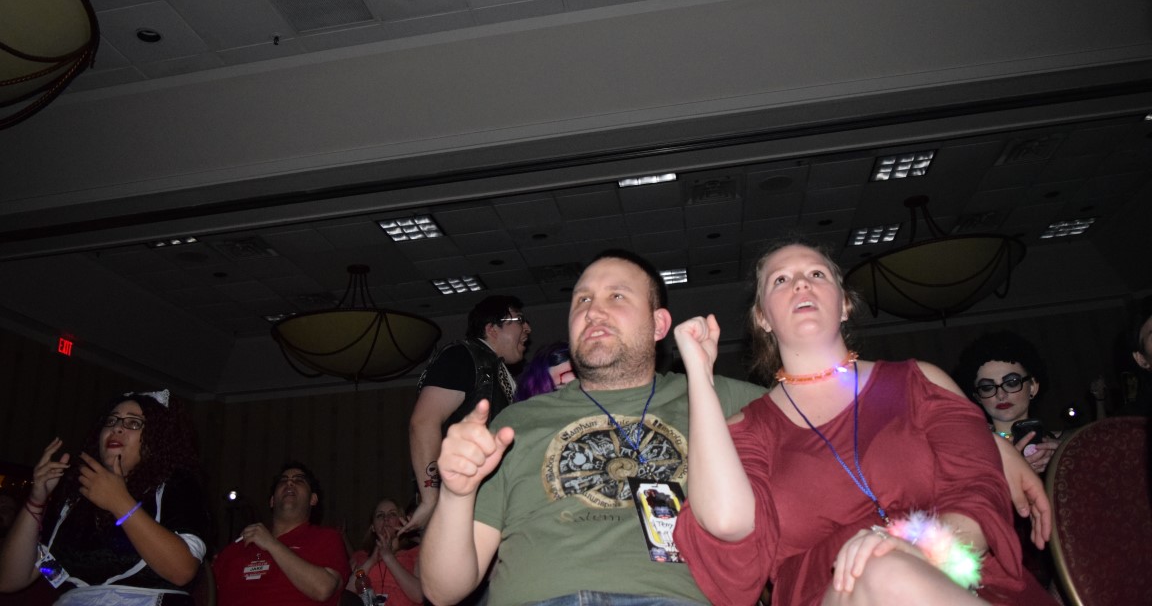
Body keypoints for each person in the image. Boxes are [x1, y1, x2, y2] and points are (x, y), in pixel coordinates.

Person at [420, 249, 1050, 606]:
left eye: (617, 296)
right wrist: (455, 490)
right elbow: (444, 591)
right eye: (582, 298)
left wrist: (996, 446)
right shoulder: (515, 422)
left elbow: (833, 408)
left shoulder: (727, 404)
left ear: (660, 325)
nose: (594, 310)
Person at [672, 242, 1053, 606]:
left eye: (817, 274)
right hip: (826, 592)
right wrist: (700, 376)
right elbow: (726, 522)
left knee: (886, 568)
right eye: (781, 280)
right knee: (881, 569)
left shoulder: (920, 382)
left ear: (845, 305)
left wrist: (918, 549)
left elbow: (978, 491)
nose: (801, 284)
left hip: (959, 578)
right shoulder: (750, 429)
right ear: (762, 318)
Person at [0, 390, 209, 605]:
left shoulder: (175, 485)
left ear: (157, 438)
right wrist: (37, 500)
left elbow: (181, 571)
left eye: (133, 423)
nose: (117, 428)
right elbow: (10, 580)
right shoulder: (76, 498)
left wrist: (119, 503)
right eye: (111, 420)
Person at [405, 295, 531, 532]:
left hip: (495, 509)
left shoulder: (502, 374)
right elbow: (423, 422)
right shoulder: (462, 357)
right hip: (464, 506)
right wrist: (430, 497)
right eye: (519, 320)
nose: (527, 328)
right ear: (492, 329)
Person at [213, 462, 349, 606]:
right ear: (272, 501)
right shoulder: (237, 548)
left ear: (313, 499)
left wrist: (270, 543)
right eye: (283, 481)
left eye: (299, 480)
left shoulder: (326, 538)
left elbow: (323, 589)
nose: (289, 483)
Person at [954, 331, 1060, 474]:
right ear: (978, 397)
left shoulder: (1067, 445)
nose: (1001, 395)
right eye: (987, 387)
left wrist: (1064, 459)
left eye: (1012, 383)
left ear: (1033, 386)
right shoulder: (967, 454)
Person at [345, 498, 421, 606]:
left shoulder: (415, 553)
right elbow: (347, 592)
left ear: (401, 523)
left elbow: (419, 596)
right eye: (380, 515)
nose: (386, 519)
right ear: (373, 527)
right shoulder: (360, 556)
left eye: (392, 514)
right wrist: (371, 560)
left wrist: (388, 557)